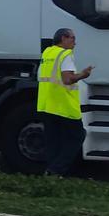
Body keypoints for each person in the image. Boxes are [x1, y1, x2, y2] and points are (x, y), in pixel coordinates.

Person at [37, 28, 93, 176]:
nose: (75, 42)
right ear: (64, 38)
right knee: (78, 136)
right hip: (63, 105)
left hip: (46, 104)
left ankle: (51, 172)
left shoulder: (47, 53)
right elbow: (67, 79)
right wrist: (83, 74)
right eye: (73, 38)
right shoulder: (65, 54)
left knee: (53, 140)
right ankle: (56, 169)